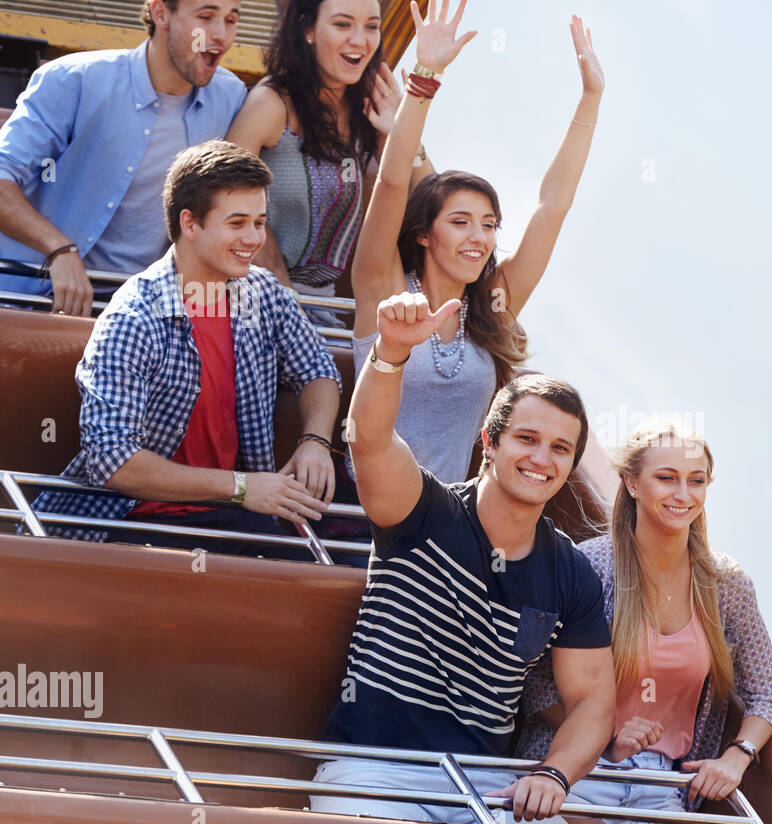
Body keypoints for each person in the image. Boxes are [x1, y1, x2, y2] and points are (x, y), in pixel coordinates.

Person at [310, 288, 615, 824]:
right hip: (374, 769)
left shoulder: (571, 572)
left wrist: (553, 773)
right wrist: (391, 353)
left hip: (486, 785)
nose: (541, 458)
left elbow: (592, 700)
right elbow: (370, 441)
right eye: (527, 438)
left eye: (560, 448)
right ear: (489, 444)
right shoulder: (424, 508)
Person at [28, 141, 344, 559]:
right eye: (237, 223)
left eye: (259, 222)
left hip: (238, 517)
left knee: (343, 574)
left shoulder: (262, 293)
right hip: (136, 521)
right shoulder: (134, 316)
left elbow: (318, 371)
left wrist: (314, 441)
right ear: (190, 223)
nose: (253, 239)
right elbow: (113, 460)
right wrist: (243, 487)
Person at [347, 0, 604, 485]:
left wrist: (590, 99)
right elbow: (392, 182)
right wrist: (424, 77)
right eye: (461, 221)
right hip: (362, 514)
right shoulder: (384, 286)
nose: (479, 237)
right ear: (424, 233)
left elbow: (553, 206)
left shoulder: (494, 306)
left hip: (444, 526)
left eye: (488, 224)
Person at [516, 420, 772, 824]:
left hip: (663, 788)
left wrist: (737, 758)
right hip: (573, 770)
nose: (683, 495)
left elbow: (769, 694)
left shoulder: (726, 583)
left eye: (696, 481)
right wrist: (606, 735)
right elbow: (533, 684)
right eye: (666, 479)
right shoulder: (586, 568)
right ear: (630, 482)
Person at [0, 0, 248, 316]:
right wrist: (59, 250)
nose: (220, 36)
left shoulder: (231, 98)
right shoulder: (75, 79)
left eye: (230, 20)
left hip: (140, 312)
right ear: (160, 13)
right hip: (33, 298)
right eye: (206, 17)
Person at [226, 0, 434, 328]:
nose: (359, 40)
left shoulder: (367, 107)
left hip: (327, 310)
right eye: (342, 25)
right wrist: (285, 302)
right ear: (308, 29)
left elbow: (433, 209)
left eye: (371, 26)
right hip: (251, 304)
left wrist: (402, 134)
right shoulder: (272, 103)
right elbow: (225, 199)